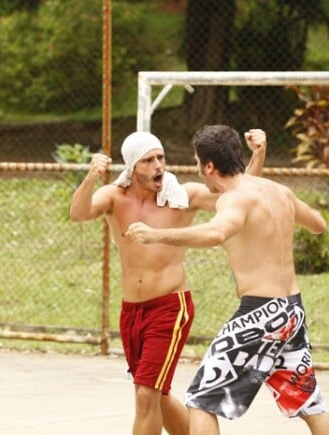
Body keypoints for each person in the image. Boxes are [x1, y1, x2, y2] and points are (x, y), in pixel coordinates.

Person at [126, 124, 329, 435]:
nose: (197, 169)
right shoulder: (278, 191)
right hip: (292, 311)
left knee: (200, 401)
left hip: (260, 314)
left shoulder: (234, 199)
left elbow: (216, 232)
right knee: (310, 403)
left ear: (209, 166)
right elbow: (318, 224)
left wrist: (155, 235)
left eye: (198, 162)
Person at [70, 128, 266, 435]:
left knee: (145, 395)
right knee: (156, 397)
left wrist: (258, 155)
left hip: (170, 308)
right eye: (148, 160)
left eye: (161, 157)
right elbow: (78, 213)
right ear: (133, 167)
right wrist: (91, 176)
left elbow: (239, 194)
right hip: (132, 312)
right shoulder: (113, 197)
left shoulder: (182, 196)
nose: (159, 166)